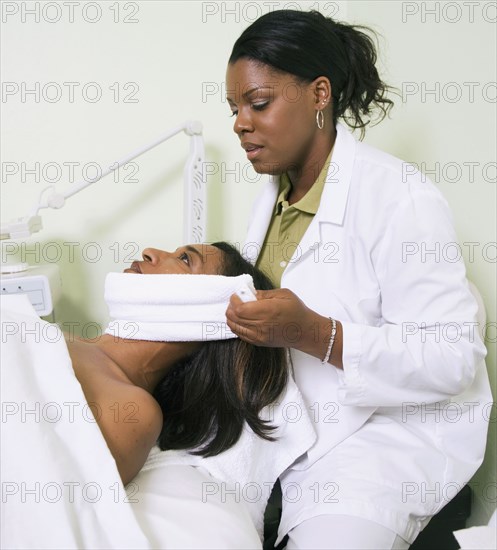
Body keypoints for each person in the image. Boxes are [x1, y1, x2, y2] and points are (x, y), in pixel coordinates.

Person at [224, 9, 492, 550]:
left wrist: (315, 333)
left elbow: (452, 357)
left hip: (388, 438)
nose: (240, 124)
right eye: (233, 109)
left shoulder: (399, 196)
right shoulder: (272, 201)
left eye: (258, 103)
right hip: (297, 433)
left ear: (319, 94)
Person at [66, 241, 287, 486]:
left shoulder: (135, 411)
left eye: (185, 260)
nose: (149, 251)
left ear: (211, 310)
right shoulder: (56, 333)